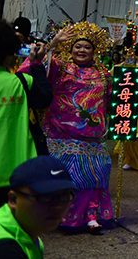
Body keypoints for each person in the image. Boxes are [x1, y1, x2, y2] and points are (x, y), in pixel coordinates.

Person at [17, 23, 115, 232]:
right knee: (63, 178)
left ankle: (91, 216)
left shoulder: (104, 74)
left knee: (94, 177)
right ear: (70, 49)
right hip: (61, 134)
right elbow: (34, 68)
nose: (82, 50)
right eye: (77, 46)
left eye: (87, 47)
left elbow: (109, 101)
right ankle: (60, 217)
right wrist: (53, 44)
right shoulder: (61, 67)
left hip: (92, 136)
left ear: (94, 51)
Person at [0, 21, 52, 206]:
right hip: (18, 171)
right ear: (9, 53)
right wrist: (36, 64)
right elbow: (45, 98)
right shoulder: (22, 83)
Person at [0, 156, 76, 258]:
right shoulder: (5, 249)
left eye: (64, 195)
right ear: (13, 199)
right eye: (45, 197)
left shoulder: (30, 233)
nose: (57, 206)